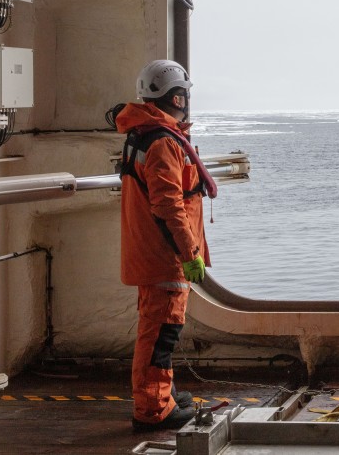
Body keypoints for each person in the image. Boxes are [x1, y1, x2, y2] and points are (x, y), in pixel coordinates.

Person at [116, 60, 218, 432]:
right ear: (176, 96)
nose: (187, 100)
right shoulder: (161, 142)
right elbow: (168, 206)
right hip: (165, 256)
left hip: (154, 252)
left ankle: (164, 392)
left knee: (157, 330)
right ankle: (153, 408)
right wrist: (189, 255)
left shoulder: (147, 134)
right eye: (185, 94)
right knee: (160, 334)